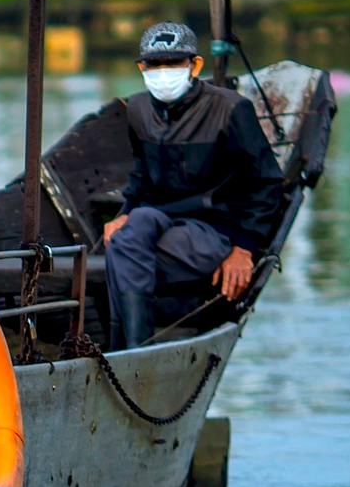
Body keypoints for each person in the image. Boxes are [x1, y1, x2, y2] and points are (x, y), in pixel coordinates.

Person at [100, 20, 283, 350]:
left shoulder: (229, 109)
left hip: (213, 228)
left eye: (173, 63)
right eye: (154, 64)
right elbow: (141, 175)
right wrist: (124, 213)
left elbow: (267, 182)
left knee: (123, 250)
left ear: (195, 65)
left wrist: (244, 249)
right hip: (158, 220)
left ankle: (128, 350)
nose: (163, 71)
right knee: (132, 228)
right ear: (142, 66)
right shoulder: (139, 109)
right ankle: (134, 349)